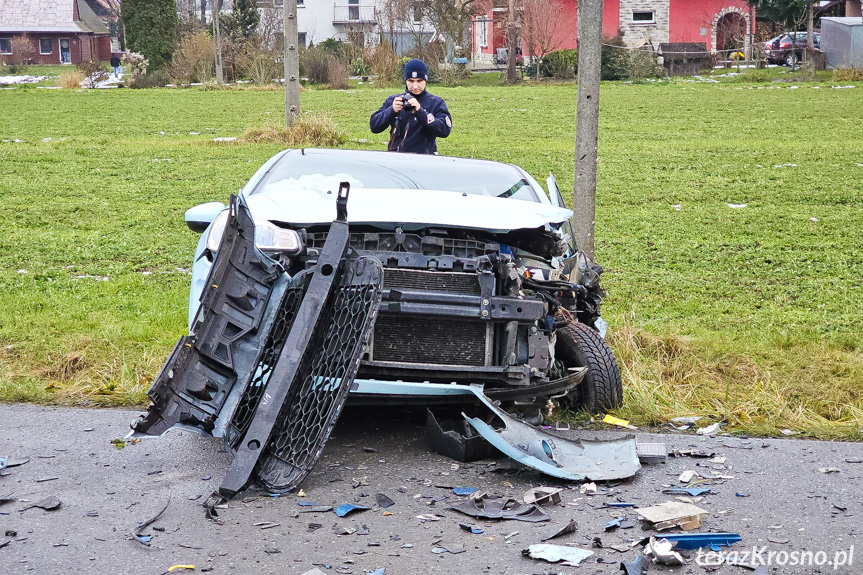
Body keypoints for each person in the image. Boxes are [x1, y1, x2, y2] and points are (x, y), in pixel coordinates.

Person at [369, 59, 452, 154]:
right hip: (398, 159)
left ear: (426, 80)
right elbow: (374, 127)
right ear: (405, 81)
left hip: (425, 159)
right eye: (411, 81)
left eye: (419, 81)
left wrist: (420, 112)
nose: (415, 86)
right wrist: (391, 110)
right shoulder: (394, 100)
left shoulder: (436, 103)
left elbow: (445, 131)